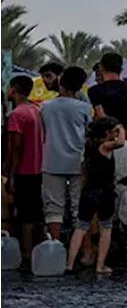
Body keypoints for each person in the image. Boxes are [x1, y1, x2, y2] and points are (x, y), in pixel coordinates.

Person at [66, 117, 126, 276]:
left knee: (80, 227)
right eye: (113, 132)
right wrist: (121, 127)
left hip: (88, 191)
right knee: (106, 227)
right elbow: (121, 142)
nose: (115, 135)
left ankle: (69, 264)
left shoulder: (89, 147)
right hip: (104, 193)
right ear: (106, 133)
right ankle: (100, 265)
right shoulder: (105, 146)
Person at [40, 66, 93, 242]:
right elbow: (88, 134)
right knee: (79, 207)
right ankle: (83, 249)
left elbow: (43, 132)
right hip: (78, 162)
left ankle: (55, 246)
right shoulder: (84, 108)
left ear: (61, 81)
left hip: (52, 161)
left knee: (54, 207)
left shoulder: (46, 106)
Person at [5, 76, 45, 268]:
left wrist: (11, 175)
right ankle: (37, 251)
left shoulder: (16, 115)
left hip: (23, 170)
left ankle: (26, 254)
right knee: (37, 213)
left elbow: (16, 148)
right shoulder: (36, 110)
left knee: (25, 215)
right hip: (40, 169)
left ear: (13, 89)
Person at [88, 53, 127, 143]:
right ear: (121, 70)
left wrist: (120, 133)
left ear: (101, 68)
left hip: (109, 140)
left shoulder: (95, 91)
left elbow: (102, 118)